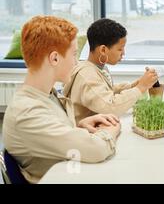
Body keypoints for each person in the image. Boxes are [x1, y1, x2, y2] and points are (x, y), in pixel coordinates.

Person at [2, 16, 121, 183]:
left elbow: (49, 136)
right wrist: (109, 131)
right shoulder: (27, 113)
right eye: (73, 54)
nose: (76, 61)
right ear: (54, 58)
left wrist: (80, 126)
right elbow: (98, 149)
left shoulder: (47, 95)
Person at [64, 18, 158, 123]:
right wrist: (141, 87)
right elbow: (110, 107)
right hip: (86, 133)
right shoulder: (87, 75)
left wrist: (134, 85)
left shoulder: (98, 67)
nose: (123, 53)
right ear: (103, 50)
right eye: (120, 49)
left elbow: (103, 91)